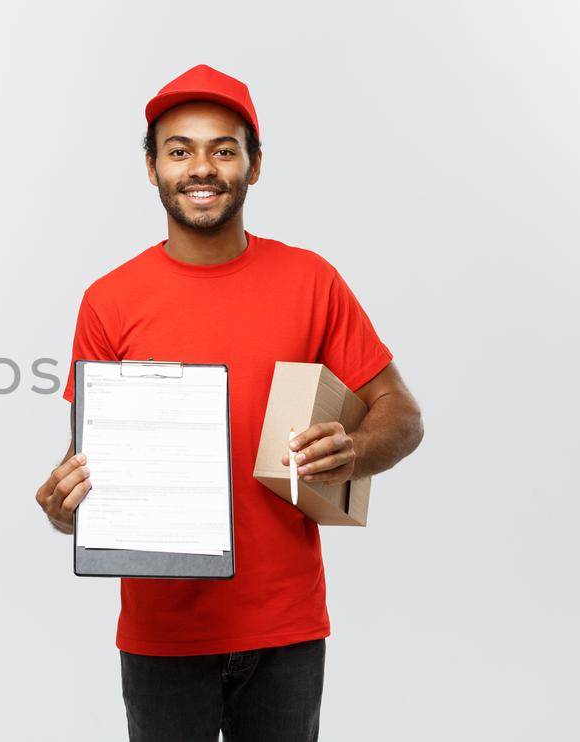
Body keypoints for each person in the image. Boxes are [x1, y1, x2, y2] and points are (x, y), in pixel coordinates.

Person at [33, 65, 425, 741]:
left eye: (223, 148)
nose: (201, 167)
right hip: (162, 634)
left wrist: (356, 448)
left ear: (255, 164)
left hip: (285, 627)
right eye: (179, 150)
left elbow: (403, 414)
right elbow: (91, 459)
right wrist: (63, 507)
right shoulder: (109, 300)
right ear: (152, 168)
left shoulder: (312, 281)